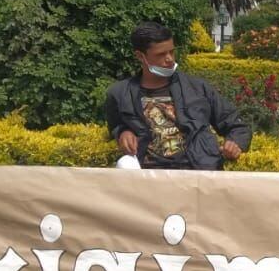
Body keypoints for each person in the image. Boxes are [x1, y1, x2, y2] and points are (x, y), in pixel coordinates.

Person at [104, 22, 252, 170]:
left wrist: (235, 142)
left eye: (171, 52)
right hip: (148, 176)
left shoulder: (197, 88)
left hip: (196, 171)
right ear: (140, 56)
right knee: (125, 164)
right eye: (161, 54)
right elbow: (116, 125)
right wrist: (123, 132)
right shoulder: (119, 94)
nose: (169, 59)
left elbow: (237, 126)